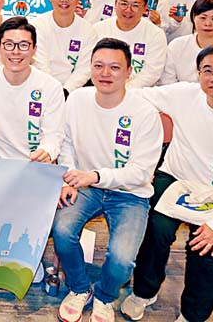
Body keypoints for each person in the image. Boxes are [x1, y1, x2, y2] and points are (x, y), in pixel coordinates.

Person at [121, 44, 213, 322]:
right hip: (176, 177)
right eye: (208, 71)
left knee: (207, 246)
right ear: (198, 74)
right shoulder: (184, 94)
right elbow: (136, 94)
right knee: (154, 229)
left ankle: (193, 315)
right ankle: (144, 291)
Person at [53, 38, 163, 322]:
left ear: (129, 71)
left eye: (114, 67)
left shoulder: (144, 113)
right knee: (62, 232)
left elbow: (141, 171)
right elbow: (66, 144)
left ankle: (104, 295)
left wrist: (96, 176)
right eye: (98, 65)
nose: (105, 73)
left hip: (130, 194)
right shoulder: (77, 100)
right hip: (85, 185)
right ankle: (79, 288)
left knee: (122, 259)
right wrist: (69, 178)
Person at [0, 17, 66, 162]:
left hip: (34, 165)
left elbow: (53, 135)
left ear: (34, 49)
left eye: (23, 45)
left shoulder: (51, 87)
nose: (15, 52)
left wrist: (46, 151)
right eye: (9, 45)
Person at [32, 0, 98, 93]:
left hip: (73, 91)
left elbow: (84, 69)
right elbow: (40, 64)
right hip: (42, 86)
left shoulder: (88, 30)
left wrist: (66, 91)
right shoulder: (37, 26)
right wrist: (53, 91)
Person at [93, 0, 168, 88]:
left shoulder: (156, 34)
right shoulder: (97, 29)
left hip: (138, 92)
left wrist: (123, 90)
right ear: (115, 4)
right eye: (124, 4)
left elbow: (151, 73)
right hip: (101, 88)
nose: (128, 10)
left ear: (145, 8)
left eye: (135, 5)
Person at [160, 0, 213, 85]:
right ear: (193, 18)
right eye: (202, 18)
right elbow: (167, 82)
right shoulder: (177, 45)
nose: (208, 23)